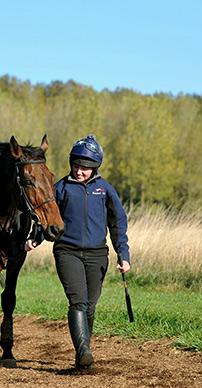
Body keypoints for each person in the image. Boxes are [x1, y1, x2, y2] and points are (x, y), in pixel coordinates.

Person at [25, 134, 131, 370]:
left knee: (90, 306)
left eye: (85, 168)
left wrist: (123, 254)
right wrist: (36, 238)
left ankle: (83, 355)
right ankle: (83, 351)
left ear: (94, 168)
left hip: (97, 255)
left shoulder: (105, 190)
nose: (80, 171)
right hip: (67, 252)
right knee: (78, 303)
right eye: (76, 166)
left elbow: (118, 223)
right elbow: (49, 218)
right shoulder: (60, 188)